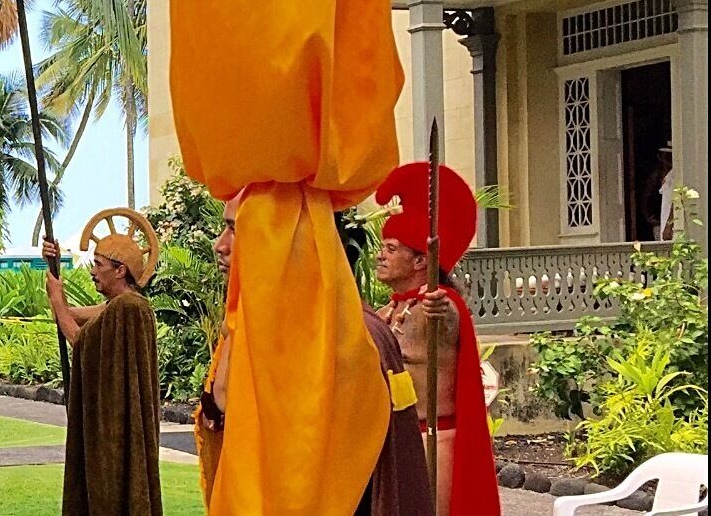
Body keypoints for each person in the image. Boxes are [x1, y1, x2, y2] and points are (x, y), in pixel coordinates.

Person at [198, 191, 433, 515]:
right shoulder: (261, 328)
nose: (220, 246)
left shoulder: (354, 339)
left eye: (236, 229)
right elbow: (217, 412)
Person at [374, 163, 500, 516]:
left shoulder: (441, 302)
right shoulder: (386, 313)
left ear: (419, 261)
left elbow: (447, 321)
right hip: (396, 440)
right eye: (382, 247)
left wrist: (439, 307)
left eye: (392, 248)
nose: (380, 255)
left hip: (435, 440)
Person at [41, 226, 161, 516]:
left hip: (115, 431)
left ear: (120, 271)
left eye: (98, 265)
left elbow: (78, 339)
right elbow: (70, 316)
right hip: (115, 426)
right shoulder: (122, 307)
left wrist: (57, 300)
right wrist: (53, 266)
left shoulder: (127, 309)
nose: (93, 272)